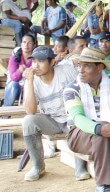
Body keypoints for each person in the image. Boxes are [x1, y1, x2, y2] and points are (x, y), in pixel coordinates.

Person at [62, 47, 110, 192]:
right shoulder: (72, 88)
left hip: (107, 131)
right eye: (79, 65)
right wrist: (99, 128)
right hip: (79, 135)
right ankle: (104, 184)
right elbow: (78, 118)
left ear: (100, 67)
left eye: (87, 65)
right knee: (103, 131)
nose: (81, 70)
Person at [22, 46, 88, 182]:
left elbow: (84, 83)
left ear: (52, 63)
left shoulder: (65, 71)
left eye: (40, 61)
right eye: (34, 61)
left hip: (72, 116)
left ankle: (80, 166)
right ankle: (38, 167)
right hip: (52, 121)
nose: (36, 65)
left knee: (77, 120)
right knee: (28, 121)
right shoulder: (32, 81)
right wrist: (29, 81)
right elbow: (30, 111)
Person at [4, 34, 36, 106]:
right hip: (15, 89)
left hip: (30, 88)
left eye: (29, 43)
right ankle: (6, 113)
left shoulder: (36, 59)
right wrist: (20, 71)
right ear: (21, 44)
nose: (26, 45)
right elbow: (14, 78)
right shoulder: (14, 58)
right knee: (14, 84)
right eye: (24, 42)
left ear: (34, 45)